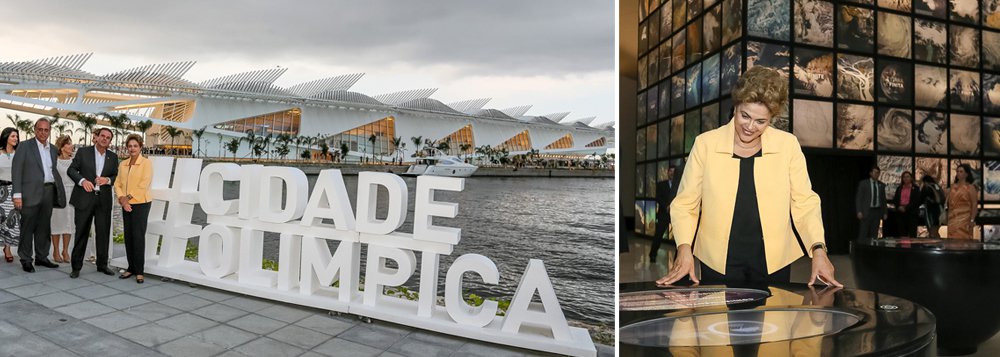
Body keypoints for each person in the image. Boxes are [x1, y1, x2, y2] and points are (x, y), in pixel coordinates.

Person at [656, 66, 841, 287]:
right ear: (736, 106)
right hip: (717, 262)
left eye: (761, 121)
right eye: (745, 116)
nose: (750, 127)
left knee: (774, 311)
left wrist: (818, 250)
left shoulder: (787, 145)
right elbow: (686, 204)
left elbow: (805, 202)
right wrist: (684, 248)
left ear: (771, 118)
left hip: (773, 262)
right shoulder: (706, 144)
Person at [12, 118, 67, 272]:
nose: (43, 132)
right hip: (29, 193)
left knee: (44, 226)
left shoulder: (53, 149)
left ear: (50, 131)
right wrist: (17, 195)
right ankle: (26, 259)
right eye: (40, 129)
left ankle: (42, 257)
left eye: (46, 130)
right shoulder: (24, 146)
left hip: (48, 191)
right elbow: (16, 170)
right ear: (35, 130)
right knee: (27, 227)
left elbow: (52, 170)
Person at [67, 127, 118, 278]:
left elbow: (116, 176)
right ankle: (76, 267)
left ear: (110, 141)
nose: (104, 139)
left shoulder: (113, 157)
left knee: (103, 234)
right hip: (84, 198)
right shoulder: (83, 152)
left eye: (108, 137)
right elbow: (71, 170)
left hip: (103, 200)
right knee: (81, 233)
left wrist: (107, 180)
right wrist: (82, 181)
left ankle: (102, 265)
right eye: (102, 136)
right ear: (97, 137)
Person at [115, 134, 152, 284]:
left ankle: (139, 271)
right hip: (125, 203)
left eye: (135, 146)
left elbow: (144, 184)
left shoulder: (146, 163)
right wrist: (121, 198)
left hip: (141, 203)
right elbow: (117, 183)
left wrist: (127, 198)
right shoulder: (123, 164)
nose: (132, 148)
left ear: (140, 147)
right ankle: (131, 267)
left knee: (138, 236)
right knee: (128, 236)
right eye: (130, 146)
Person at [50, 135, 76, 263]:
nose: (71, 146)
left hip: (72, 194)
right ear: (62, 147)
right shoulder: (55, 161)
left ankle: (65, 251)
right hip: (58, 195)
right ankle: (55, 250)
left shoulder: (75, 161)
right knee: (56, 223)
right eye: (69, 143)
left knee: (69, 224)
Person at [648, 165, 677, 262]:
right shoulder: (661, 184)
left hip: (676, 214)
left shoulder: (679, 185)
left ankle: (677, 259)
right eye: (670, 171)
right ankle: (653, 255)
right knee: (658, 235)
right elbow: (658, 198)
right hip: (663, 213)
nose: (672, 173)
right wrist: (666, 206)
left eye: (674, 172)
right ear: (667, 172)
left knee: (679, 238)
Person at [0, 128, 20, 263]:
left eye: (17, 137)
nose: (16, 139)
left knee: (10, 219)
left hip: (14, 190)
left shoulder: (19, 154)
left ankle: (7, 248)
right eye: (13, 136)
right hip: (0, 190)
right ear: (6, 137)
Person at [855, 165, 887, 242]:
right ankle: (861, 248)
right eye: (875, 172)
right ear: (870, 173)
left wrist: (885, 212)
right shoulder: (864, 184)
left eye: (878, 173)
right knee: (863, 232)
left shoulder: (881, 185)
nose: (876, 174)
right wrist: (859, 211)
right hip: (866, 211)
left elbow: (883, 200)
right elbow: (859, 198)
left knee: (874, 233)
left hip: (877, 211)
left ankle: (873, 248)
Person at [947, 164, 979, 239]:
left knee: (964, 240)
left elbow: (974, 204)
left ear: (966, 174)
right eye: (957, 171)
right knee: (952, 240)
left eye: (961, 171)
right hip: (952, 219)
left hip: (965, 219)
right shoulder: (952, 187)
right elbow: (948, 202)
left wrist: (972, 220)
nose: (958, 173)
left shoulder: (970, 187)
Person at [891, 171, 923, 238]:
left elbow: (916, 201)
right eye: (904, 177)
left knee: (912, 234)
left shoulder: (916, 188)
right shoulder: (899, 188)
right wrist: (899, 207)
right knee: (902, 233)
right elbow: (895, 200)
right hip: (901, 213)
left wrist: (906, 208)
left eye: (907, 177)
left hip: (912, 213)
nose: (906, 178)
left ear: (911, 178)